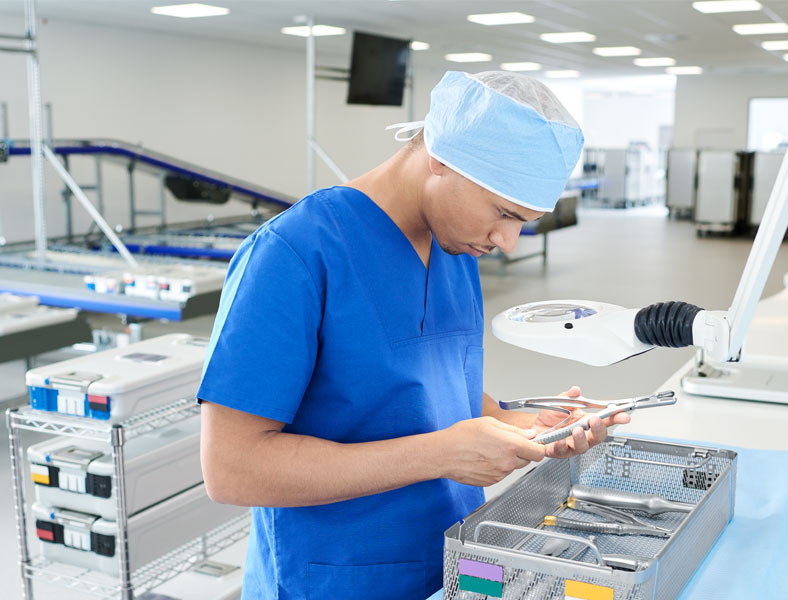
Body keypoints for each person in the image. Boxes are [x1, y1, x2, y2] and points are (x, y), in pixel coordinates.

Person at [197, 71, 631, 600]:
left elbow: (427, 391)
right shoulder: (295, 256)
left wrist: (528, 427)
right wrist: (439, 455)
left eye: (526, 221)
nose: (509, 242)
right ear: (441, 158)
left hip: (453, 562)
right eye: (503, 213)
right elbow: (231, 469)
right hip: (335, 578)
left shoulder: (454, 246)